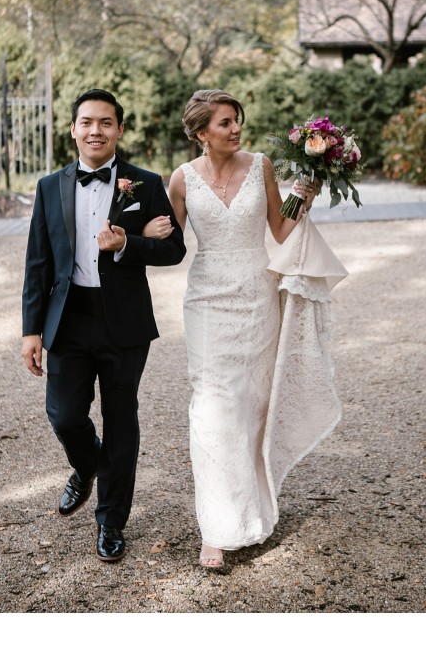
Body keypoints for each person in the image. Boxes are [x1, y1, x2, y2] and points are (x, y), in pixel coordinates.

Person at [144, 89, 329, 572]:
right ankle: (216, 529)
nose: (235, 129)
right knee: (211, 408)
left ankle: (252, 512)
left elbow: (280, 229)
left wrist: (301, 200)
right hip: (206, 302)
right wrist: (144, 236)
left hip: (256, 296)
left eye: (237, 121)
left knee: (252, 405)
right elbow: (171, 248)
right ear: (202, 133)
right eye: (225, 123)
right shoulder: (182, 179)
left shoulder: (262, 165)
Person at [21, 88, 186, 562]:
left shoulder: (145, 182)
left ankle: (111, 522)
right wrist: (31, 330)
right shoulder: (49, 186)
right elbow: (38, 261)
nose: (96, 131)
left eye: (106, 123)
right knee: (65, 415)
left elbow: (174, 250)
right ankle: (88, 465)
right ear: (73, 129)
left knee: (121, 421)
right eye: (87, 122)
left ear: (119, 129)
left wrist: (127, 244)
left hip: (124, 324)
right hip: (68, 321)